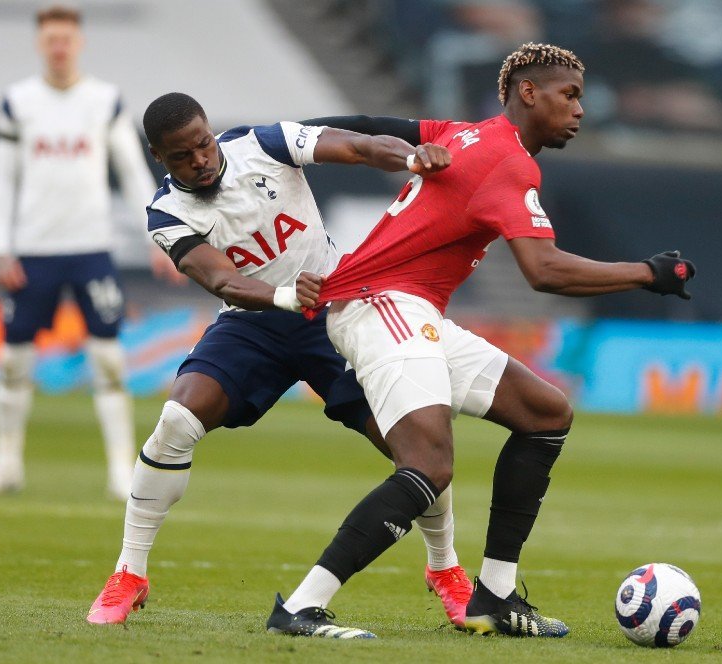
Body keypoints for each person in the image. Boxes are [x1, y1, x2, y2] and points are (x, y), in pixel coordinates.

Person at [267, 42, 697, 639]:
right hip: (381, 302)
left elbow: (367, 126)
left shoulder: (461, 133)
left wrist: (272, 137)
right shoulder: (508, 161)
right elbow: (543, 271)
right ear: (528, 92)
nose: (579, 110)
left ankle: (492, 598)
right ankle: (299, 608)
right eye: (568, 95)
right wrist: (647, 274)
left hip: (408, 308)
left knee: (546, 413)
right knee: (429, 467)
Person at [86, 92, 472, 634]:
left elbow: (358, 146)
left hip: (338, 311)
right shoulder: (166, 213)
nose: (199, 159)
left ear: (209, 130)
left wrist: (409, 158)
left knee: (418, 446)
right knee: (177, 417)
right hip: (255, 323)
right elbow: (223, 280)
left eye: (202, 143)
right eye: (181, 156)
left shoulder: (262, 143)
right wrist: (287, 295)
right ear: (159, 157)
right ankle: (130, 572)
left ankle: (446, 570)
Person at [0, 5, 186, 501]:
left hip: (91, 250)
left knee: (107, 359)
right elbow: (4, 181)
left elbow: (132, 172)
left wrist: (160, 235)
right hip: (34, 250)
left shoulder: (103, 101)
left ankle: (120, 474)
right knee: (13, 361)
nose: (59, 47)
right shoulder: (17, 102)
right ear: (41, 44)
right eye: (51, 39)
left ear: (78, 42)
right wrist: (1, 248)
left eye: (66, 38)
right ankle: (5, 465)